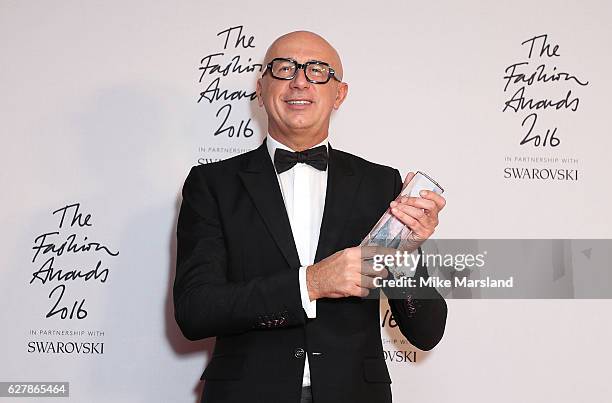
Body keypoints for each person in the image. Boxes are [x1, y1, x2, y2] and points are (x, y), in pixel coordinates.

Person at [174, 30, 447, 403]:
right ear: (261, 87)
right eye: (284, 69)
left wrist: (402, 255)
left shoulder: (381, 184)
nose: (299, 81)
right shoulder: (212, 184)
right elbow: (196, 311)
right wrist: (311, 283)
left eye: (318, 71)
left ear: (340, 93)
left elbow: (426, 331)